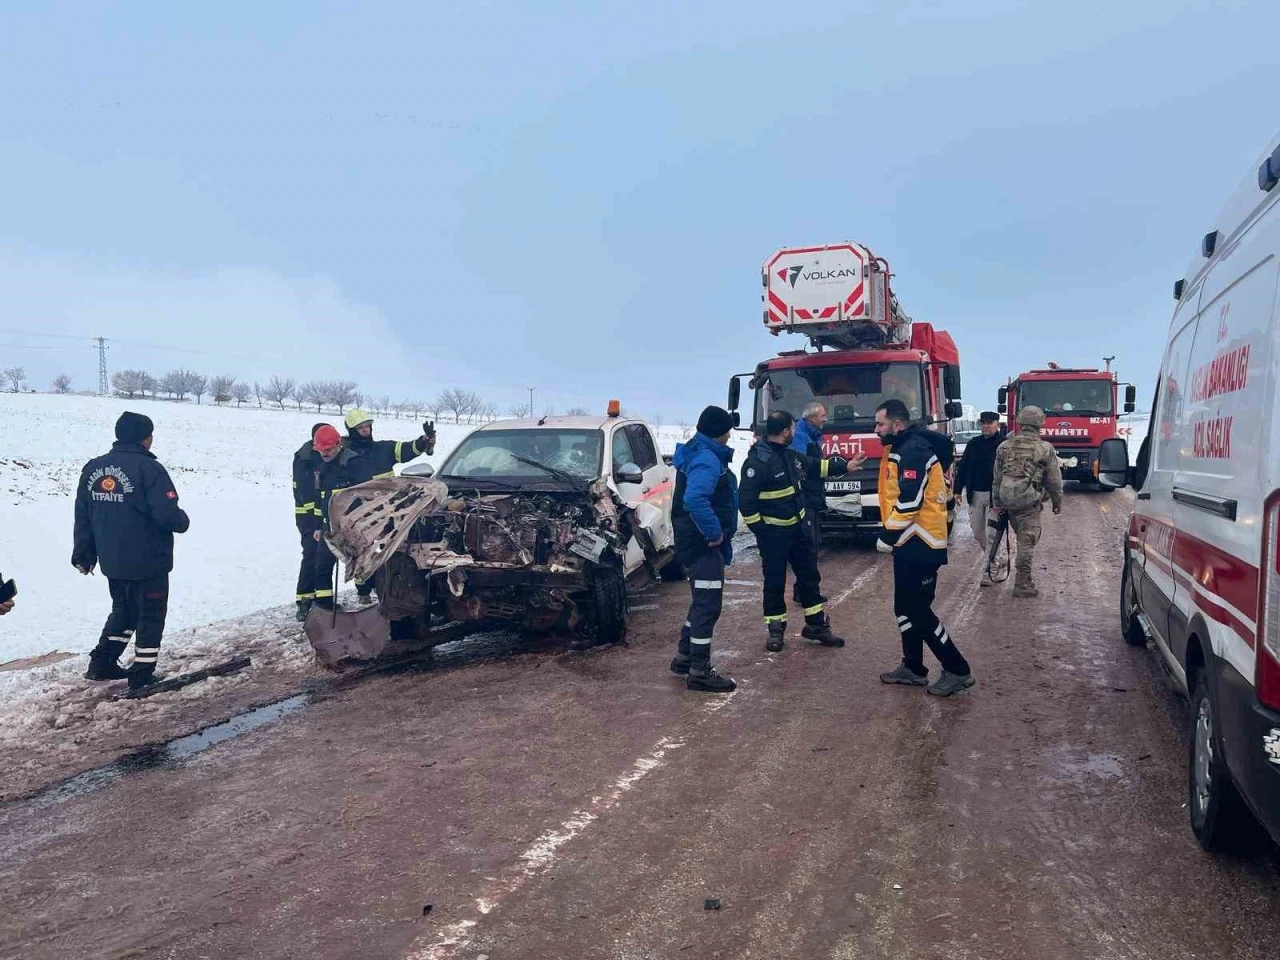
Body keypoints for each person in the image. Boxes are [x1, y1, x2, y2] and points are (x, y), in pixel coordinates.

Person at [72, 412, 191, 689]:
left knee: (124, 611)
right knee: (150, 615)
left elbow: (83, 514)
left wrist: (83, 553)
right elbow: (165, 514)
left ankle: (102, 663)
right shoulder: (149, 469)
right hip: (148, 560)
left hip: (113, 560)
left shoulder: (93, 469)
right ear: (145, 437)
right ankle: (142, 675)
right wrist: (182, 520)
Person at [873, 399, 975, 697]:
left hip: (922, 542)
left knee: (918, 610)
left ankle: (958, 670)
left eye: (880, 424)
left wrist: (887, 535)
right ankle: (913, 668)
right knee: (903, 608)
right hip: (909, 542)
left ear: (898, 424)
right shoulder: (901, 447)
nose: (876, 429)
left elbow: (910, 502)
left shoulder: (913, 450)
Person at [739, 410, 851, 653]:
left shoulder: (790, 455)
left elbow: (815, 466)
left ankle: (816, 626)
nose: (795, 430)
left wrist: (846, 466)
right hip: (774, 536)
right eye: (793, 427)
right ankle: (776, 630)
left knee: (809, 578)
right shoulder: (757, 462)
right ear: (786, 431)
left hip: (799, 531)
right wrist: (763, 533)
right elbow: (746, 505)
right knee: (775, 583)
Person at [668, 405, 739, 693]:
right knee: (708, 605)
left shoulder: (697, 451)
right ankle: (699, 671)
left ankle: (684, 658)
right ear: (722, 432)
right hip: (702, 543)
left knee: (701, 600)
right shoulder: (707, 460)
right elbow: (695, 500)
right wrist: (714, 534)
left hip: (692, 540)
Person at [341, 409, 437, 599]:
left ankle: (386, 585)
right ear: (352, 430)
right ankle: (363, 589)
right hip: (361, 514)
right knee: (362, 551)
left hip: (389, 511)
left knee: (393, 548)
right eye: (361, 427)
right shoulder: (345, 457)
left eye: (368, 426)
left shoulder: (383, 449)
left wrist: (424, 440)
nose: (366, 430)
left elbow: (409, 449)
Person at [992, 405, 1064, 598]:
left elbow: (997, 478)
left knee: (1022, 537)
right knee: (1027, 542)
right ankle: (1022, 583)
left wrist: (997, 501)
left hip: (1008, 501)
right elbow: (1054, 480)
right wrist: (1057, 502)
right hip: (1028, 503)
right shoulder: (1044, 448)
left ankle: (1024, 579)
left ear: (1021, 422)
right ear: (1040, 424)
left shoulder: (1004, 446)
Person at [953, 411, 1005, 584]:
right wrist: (957, 489)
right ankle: (997, 556)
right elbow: (964, 467)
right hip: (975, 494)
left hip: (996, 497)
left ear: (998, 424)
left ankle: (989, 570)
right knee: (978, 532)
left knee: (991, 534)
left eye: (989, 423)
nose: (985, 426)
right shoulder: (974, 444)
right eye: (983, 423)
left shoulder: (1004, 445)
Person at [292, 423, 328, 621]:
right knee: (311, 554)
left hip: (321, 515)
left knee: (323, 556)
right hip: (307, 517)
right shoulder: (304, 460)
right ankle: (304, 600)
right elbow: (307, 494)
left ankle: (322, 601)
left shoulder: (326, 455)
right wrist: (316, 524)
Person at [789, 401, 828, 560]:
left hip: (813, 496)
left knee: (813, 537)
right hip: (805, 497)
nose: (825, 419)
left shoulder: (812, 435)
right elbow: (804, 466)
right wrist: (838, 467)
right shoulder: (800, 437)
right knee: (807, 540)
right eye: (822, 416)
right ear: (811, 418)